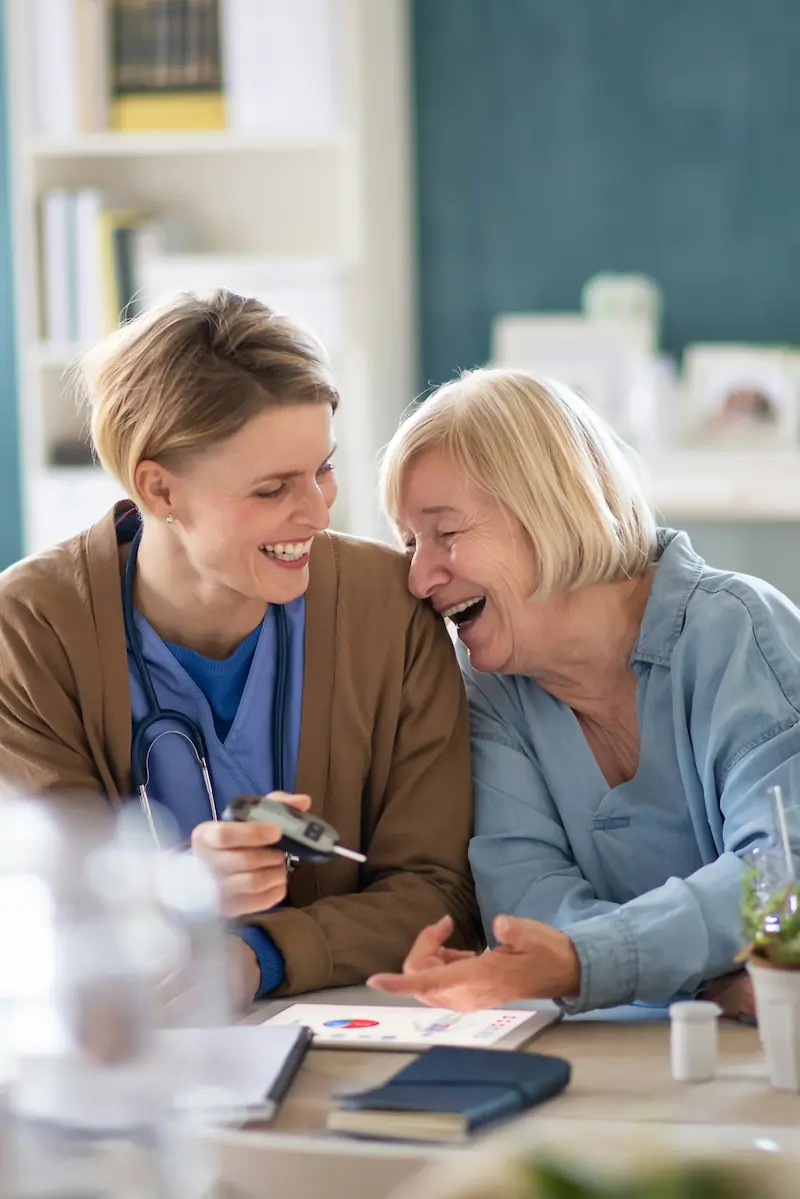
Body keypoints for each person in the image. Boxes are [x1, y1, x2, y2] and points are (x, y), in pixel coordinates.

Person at [0, 290, 480, 1008]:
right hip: (133, 1048)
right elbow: (46, 910)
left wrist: (257, 958)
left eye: (323, 468)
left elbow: (439, 894)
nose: (318, 512)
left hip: (356, 1029)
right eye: (271, 489)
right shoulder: (32, 628)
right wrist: (174, 889)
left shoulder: (390, 608)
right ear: (159, 487)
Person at [369, 367, 800, 1016]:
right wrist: (707, 979)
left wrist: (584, 963)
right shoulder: (494, 693)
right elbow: (532, 907)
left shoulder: (736, 629)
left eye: (446, 534)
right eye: (409, 543)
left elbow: (778, 876)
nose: (420, 577)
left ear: (550, 507)